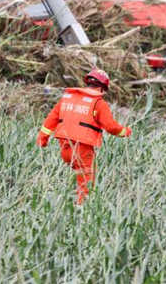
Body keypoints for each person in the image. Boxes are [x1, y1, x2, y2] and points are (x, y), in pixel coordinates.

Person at [36, 68, 132, 204]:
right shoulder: (98, 103)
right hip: (82, 150)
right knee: (86, 185)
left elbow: (50, 120)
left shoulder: (67, 98)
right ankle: (81, 210)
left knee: (73, 177)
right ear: (102, 88)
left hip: (64, 148)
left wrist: (42, 138)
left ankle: (64, 203)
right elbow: (111, 127)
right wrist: (125, 132)